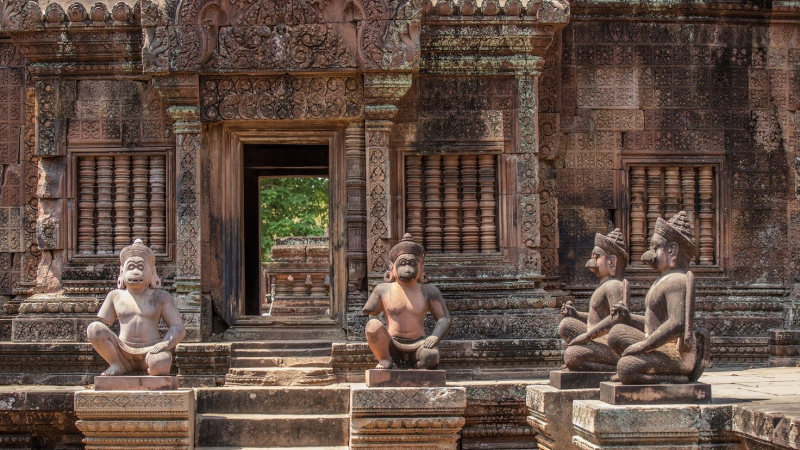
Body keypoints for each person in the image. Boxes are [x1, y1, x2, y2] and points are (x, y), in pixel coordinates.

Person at [605, 211, 710, 384]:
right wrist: (629, 319)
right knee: (617, 333)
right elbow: (655, 325)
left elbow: (677, 324)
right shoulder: (663, 281)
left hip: (677, 354)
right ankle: (640, 371)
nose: (650, 252)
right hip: (660, 346)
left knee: (626, 367)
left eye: (655, 247)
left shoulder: (677, 280)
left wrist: (642, 347)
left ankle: (679, 377)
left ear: (672, 250)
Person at [87, 239, 186, 376]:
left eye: (140, 267)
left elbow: (178, 328)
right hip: (122, 351)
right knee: (94, 329)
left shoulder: (161, 297)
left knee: (161, 363)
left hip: (151, 350)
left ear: (152, 272)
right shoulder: (115, 296)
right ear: (122, 271)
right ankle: (117, 364)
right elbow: (104, 323)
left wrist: (164, 344)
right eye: (131, 267)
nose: (135, 272)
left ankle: (150, 369)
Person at [363, 234, 450, 370]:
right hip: (391, 343)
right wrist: (380, 339)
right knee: (372, 325)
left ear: (421, 268)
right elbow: (372, 315)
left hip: (420, 344)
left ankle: (416, 366)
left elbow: (444, 319)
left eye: (412, 264)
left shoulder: (429, 291)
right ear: (392, 268)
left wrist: (435, 337)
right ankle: (385, 360)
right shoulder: (382, 290)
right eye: (403, 263)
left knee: (431, 356)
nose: (407, 268)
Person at [559, 229, 629, 371]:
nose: (592, 261)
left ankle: (616, 367)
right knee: (566, 324)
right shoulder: (604, 286)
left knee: (572, 355)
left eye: (597, 256)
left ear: (612, 261)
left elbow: (617, 319)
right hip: (598, 339)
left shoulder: (614, 285)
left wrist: (587, 336)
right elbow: (600, 318)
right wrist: (577, 315)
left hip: (611, 345)